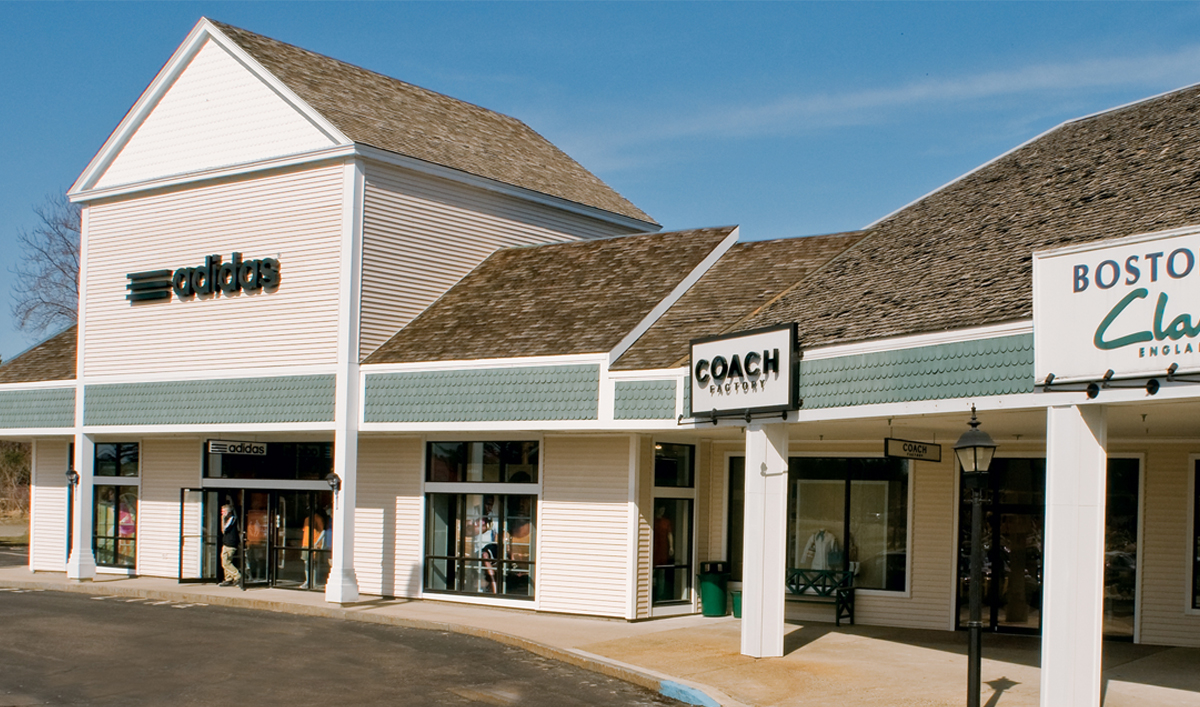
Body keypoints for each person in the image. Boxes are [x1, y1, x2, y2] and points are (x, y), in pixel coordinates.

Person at [219, 500, 242, 587]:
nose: (222, 513)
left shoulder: (232, 519)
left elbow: (224, 529)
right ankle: (228, 578)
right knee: (224, 561)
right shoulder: (227, 519)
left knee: (226, 562)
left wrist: (222, 519)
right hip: (226, 543)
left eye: (223, 511)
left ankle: (237, 576)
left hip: (230, 543)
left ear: (228, 512)